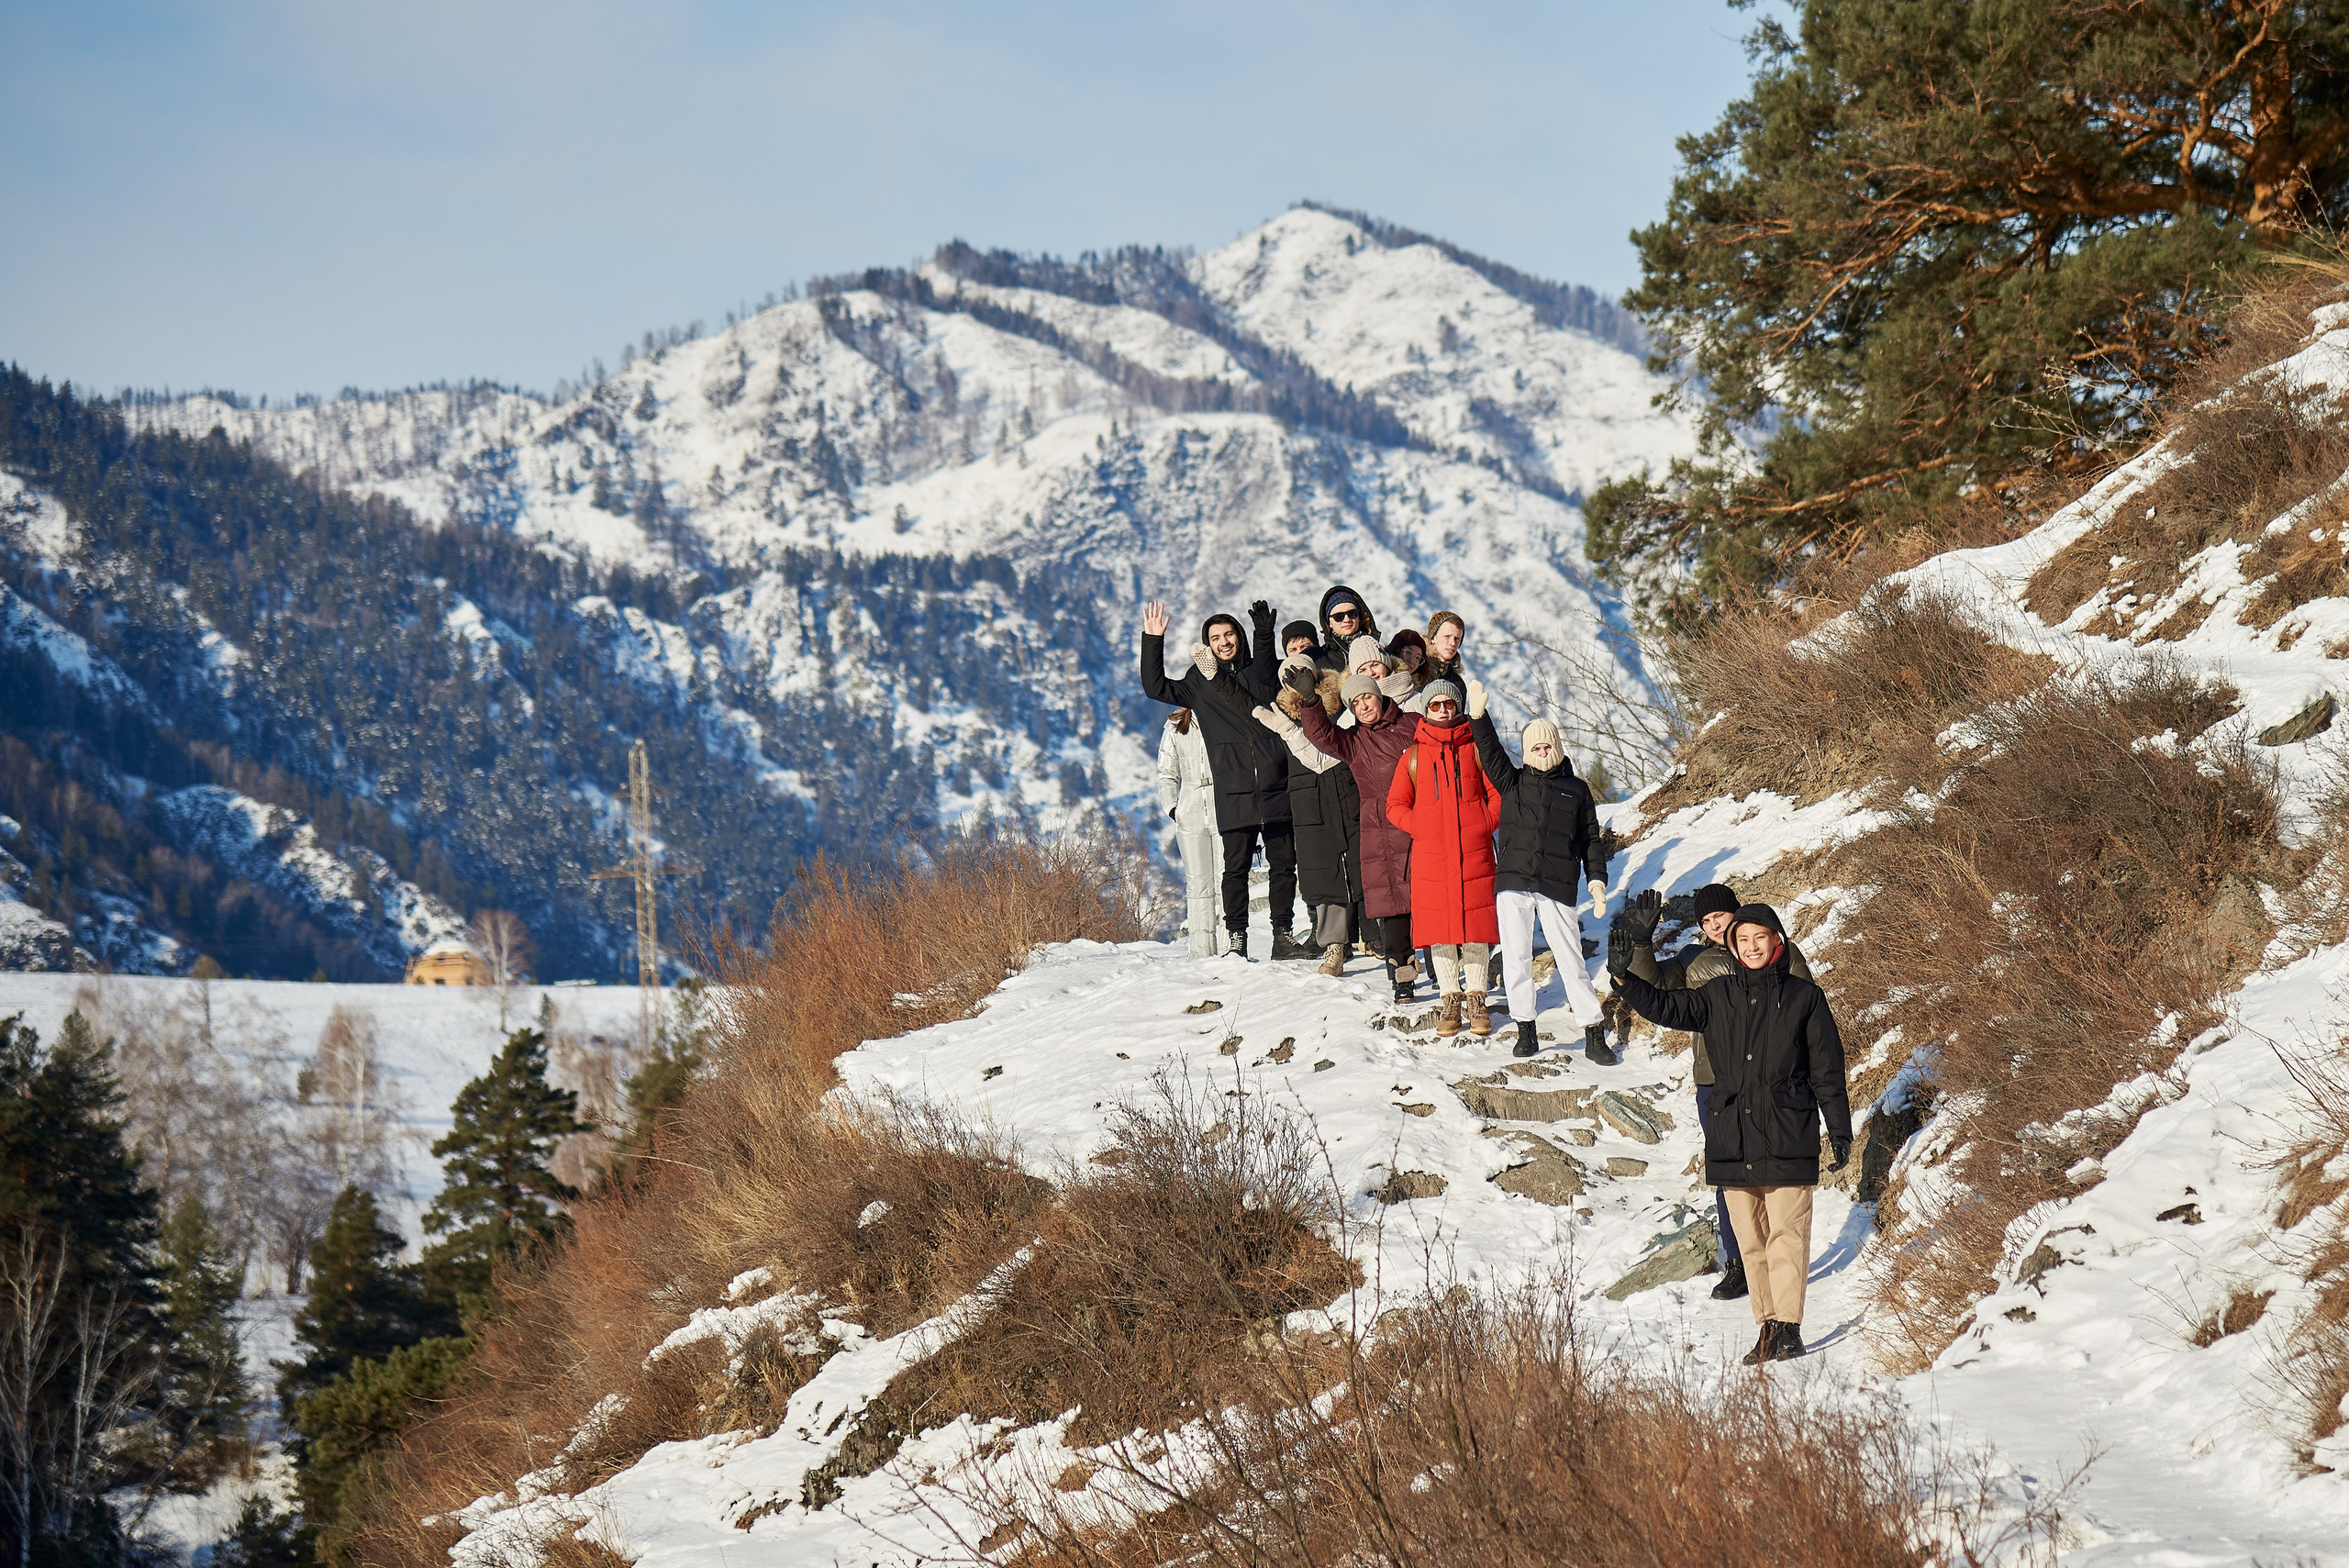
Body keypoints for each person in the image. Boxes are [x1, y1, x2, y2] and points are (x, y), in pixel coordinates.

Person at [1607, 904, 1851, 1364]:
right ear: (1732, 946)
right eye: (1744, 940)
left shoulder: (1805, 998)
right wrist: (1624, 980)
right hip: (1732, 1135)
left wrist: (1838, 1128)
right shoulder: (1715, 994)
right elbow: (1666, 1005)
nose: (1753, 947)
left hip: (1787, 1131)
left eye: (1761, 938)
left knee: (1788, 1234)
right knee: (1751, 1238)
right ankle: (1767, 1326)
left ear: (1777, 940)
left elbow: (1827, 1069)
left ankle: (1790, 1326)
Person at [1617, 884, 1814, 1301]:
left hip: (1773, 1081)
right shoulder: (1694, 960)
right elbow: (1654, 990)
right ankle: (1740, 1262)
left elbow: (1805, 1010)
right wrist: (1641, 941)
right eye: (1705, 921)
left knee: (1776, 1175)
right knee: (1729, 1174)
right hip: (1715, 1079)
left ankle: (1778, 1262)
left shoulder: (1778, 954)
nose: (1713, 926)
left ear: (1737, 912)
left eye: (1720, 916)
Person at [1136, 600, 1308, 959]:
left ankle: (1282, 935)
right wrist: (1153, 641)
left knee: (1283, 866)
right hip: (1233, 791)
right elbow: (1155, 688)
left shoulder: (1261, 672)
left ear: (1239, 636)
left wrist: (1264, 634)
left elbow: (1264, 663)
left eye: (1229, 633)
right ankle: (1237, 940)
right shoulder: (1198, 684)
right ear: (1207, 643)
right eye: (1216, 637)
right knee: (1235, 870)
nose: (1224, 641)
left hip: (1277, 785)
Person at [1464, 680, 1609, 1062]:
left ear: (1558, 749)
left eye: (1548, 747)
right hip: (1514, 881)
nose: (1543, 753)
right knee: (1516, 957)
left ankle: (1594, 1032)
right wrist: (1478, 717)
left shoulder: (1576, 790)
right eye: (1536, 748)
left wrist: (1596, 879)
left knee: (1571, 957)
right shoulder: (1512, 783)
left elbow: (1590, 838)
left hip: (1557, 885)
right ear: (1527, 753)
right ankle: (1526, 1028)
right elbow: (1491, 752)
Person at [1296, 661, 1422, 1003]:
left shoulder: (1413, 725)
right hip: (1380, 828)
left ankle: (1445, 971)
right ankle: (1403, 976)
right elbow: (1321, 736)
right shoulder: (1354, 741)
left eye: (1366, 697)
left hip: (1420, 821)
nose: (1363, 706)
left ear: (1379, 696)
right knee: (1394, 901)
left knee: (1429, 897)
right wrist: (1311, 703)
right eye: (1355, 703)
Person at [1386, 680, 1502, 1039]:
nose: (1442, 711)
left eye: (1448, 705)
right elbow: (1394, 806)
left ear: (1458, 707)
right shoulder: (1413, 756)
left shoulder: (1476, 748)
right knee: (1440, 930)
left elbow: (1498, 793)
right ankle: (1451, 998)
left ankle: (1477, 997)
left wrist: (1484, 823)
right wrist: (1420, 826)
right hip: (1431, 855)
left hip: (1474, 851)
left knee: (1475, 927)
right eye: (1435, 705)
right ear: (1425, 710)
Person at [1252, 667, 1364, 976]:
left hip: (1348, 798)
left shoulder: (1343, 711)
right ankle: (1333, 946)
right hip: (1307, 807)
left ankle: (1377, 940)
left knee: (1364, 867)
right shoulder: (1281, 719)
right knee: (1323, 877)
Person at [1154, 708, 1220, 956]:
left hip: (1223, 802)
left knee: (1227, 880)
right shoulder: (1175, 723)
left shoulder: (1221, 711)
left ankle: (1230, 952)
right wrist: (1173, 808)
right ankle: (1201, 953)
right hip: (1189, 804)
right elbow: (1166, 773)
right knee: (1198, 884)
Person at [1315, 587, 1381, 673]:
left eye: (1352, 614)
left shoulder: (1380, 651)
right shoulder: (1318, 659)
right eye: (1338, 617)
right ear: (1329, 622)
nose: (1347, 619)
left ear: (1360, 617)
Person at [1418, 611, 1466, 692]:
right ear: (1433, 638)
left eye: (1457, 639)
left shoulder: (1458, 684)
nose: (1453, 643)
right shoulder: (1417, 669)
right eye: (1447, 636)